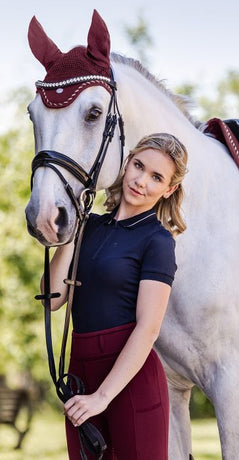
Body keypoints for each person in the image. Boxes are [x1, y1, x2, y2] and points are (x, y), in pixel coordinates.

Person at [43, 133, 188, 459]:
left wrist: (102, 397)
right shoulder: (89, 226)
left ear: (169, 189)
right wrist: (73, 233)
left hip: (131, 381)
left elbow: (148, 328)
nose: (141, 181)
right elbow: (52, 300)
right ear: (126, 163)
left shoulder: (157, 241)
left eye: (156, 177)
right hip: (81, 373)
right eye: (138, 165)